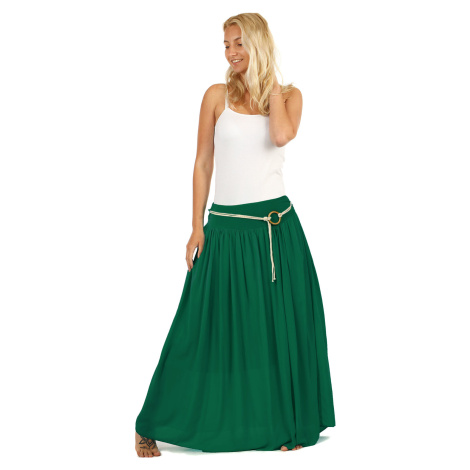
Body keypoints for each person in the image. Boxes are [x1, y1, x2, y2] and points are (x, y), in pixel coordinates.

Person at [134, 12, 336, 456]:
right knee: (199, 329)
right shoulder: (215, 96)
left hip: (276, 231)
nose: (231, 52)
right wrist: (196, 224)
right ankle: (152, 422)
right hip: (225, 230)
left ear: (260, 43)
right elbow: (203, 162)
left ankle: (284, 424)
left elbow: (281, 135)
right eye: (226, 44)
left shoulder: (289, 96)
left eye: (240, 43)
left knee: (277, 333)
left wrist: (271, 84)